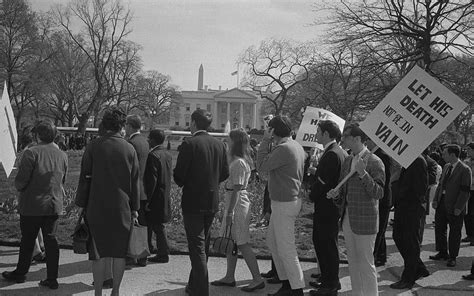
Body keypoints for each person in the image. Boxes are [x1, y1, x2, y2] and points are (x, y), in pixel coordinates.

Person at [75, 107, 140, 296]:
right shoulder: (129, 148)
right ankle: (116, 291)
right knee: (119, 253)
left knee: (98, 253)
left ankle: (97, 292)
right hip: (122, 207)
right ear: (121, 125)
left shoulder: (94, 146)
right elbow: (135, 181)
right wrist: (135, 208)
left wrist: (81, 203)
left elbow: (85, 178)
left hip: (97, 205)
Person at [2, 120, 68, 290]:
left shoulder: (32, 153)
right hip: (53, 203)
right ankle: (52, 278)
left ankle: (21, 273)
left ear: (38, 135)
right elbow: (63, 180)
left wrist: (18, 186)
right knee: (51, 240)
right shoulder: (62, 154)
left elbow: (21, 181)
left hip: (33, 203)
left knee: (28, 240)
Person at [173, 109, 229, 296]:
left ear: (194, 123)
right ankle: (194, 285)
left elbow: (179, 176)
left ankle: (201, 290)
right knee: (202, 245)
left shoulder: (189, 144)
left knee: (197, 248)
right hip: (211, 199)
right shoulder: (219, 144)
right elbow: (224, 173)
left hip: (193, 201)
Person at [327, 123, 385, 296]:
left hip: (365, 221)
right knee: (352, 262)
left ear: (357, 139)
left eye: (346, 137)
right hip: (347, 219)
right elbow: (343, 193)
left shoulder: (374, 161)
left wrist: (363, 174)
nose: (342, 139)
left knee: (366, 263)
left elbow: (379, 192)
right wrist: (335, 194)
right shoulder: (347, 160)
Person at [257, 115, 306, 296]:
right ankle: (288, 284)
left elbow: (261, 165)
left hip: (285, 203)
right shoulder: (295, 146)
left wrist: (264, 140)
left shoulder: (284, 148)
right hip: (286, 201)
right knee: (274, 242)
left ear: (273, 131)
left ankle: (296, 288)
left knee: (286, 248)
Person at [211, 128, 265, 292]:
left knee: (242, 242)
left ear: (235, 142)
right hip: (234, 201)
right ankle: (229, 276)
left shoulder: (239, 163)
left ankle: (257, 278)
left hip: (238, 203)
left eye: (229, 140)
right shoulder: (237, 160)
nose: (227, 142)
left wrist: (229, 212)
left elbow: (237, 189)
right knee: (232, 241)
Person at [307, 120, 347, 296]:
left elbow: (324, 182)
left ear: (326, 134)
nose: (316, 134)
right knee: (325, 243)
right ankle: (328, 280)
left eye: (319, 131)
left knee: (326, 245)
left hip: (327, 207)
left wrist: (310, 194)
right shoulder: (336, 151)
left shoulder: (332, 154)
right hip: (331, 207)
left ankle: (330, 285)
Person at [390, 154, 429, 289]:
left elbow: (421, 187)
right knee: (398, 237)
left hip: (411, 208)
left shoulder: (417, 161)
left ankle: (408, 278)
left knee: (410, 242)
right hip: (402, 206)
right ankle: (418, 267)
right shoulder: (407, 160)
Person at [430, 144, 472, 267]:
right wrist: (436, 199)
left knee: (455, 231)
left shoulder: (465, 169)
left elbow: (465, 191)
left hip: (455, 205)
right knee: (440, 228)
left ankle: (452, 256)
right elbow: (441, 184)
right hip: (442, 203)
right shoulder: (447, 166)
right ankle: (442, 252)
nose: (442, 155)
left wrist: (459, 207)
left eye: (445, 153)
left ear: (452, 155)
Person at [144, 129, 172, 263]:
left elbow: (151, 181)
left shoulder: (153, 156)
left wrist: (147, 200)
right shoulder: (167, 154)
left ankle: (162, 253)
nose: (148, 140)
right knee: (158, 225)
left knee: (156, 226)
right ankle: (160, 250)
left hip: (155, 196)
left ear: (153, 140)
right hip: (164, 192)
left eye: (149, 138)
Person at [125, 114, 150, 267]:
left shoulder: (131, 143)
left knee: (130, 224)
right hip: (143, 188)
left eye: (126, 125)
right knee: (142, 224)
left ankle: (131, 254)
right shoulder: (145, 142)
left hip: (132, 188)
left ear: (130, 125)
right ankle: (142, 255)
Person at [365, 139, 392, 267]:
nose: (366, 143)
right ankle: (381, 256)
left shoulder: (382, 157)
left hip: (382, 198)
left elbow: (383, 182)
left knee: (379, 229)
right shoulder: (375, 155)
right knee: (379, 229)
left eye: (368, 141)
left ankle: (375, 256)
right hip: (379, 198)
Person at [461, 142, 474, 244]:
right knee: (467, 213)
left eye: (469, 149)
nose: (467, 151)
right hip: (467, 190)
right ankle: (469, 234)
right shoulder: (466, 161)